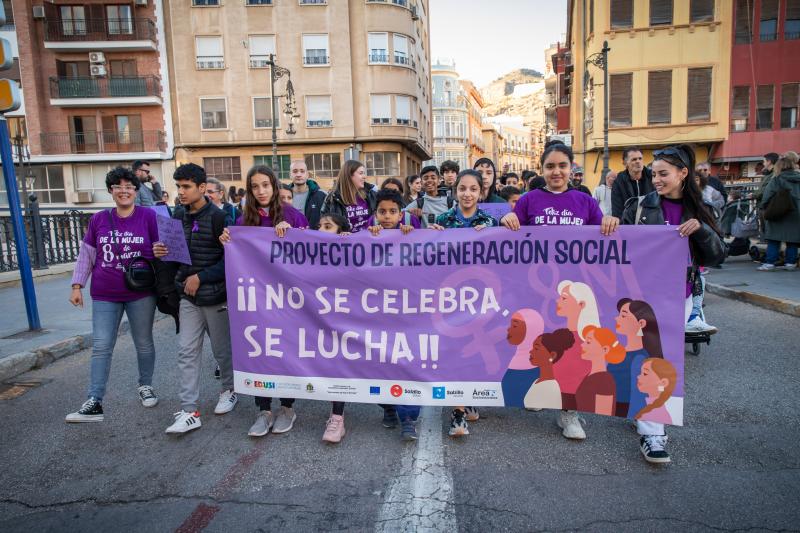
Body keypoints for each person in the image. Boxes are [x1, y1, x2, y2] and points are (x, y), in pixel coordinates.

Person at [621, 143, 726, 463]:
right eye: (654, 174)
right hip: (641, 296)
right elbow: (620, 248)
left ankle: (652, 430)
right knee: (645, 359)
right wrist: (611, 226)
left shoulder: (701, 209)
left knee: (659, 361)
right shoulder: (637, 207)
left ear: (683, 174)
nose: (656, 179)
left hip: (676, 298)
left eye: (663, 174)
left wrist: (703, 231)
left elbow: (718, 254)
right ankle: (650, 426)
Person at [219, 165, 308, 438]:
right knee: (259, 351)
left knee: (284, 351)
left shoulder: (293, 215)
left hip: (287, 298)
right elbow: (238, 257)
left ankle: (287, 407)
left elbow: (312, 253)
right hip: (257, 300)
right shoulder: (243, 219)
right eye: (255, 186)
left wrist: (294, 233)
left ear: (275, 186)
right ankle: (263, 410)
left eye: (265, 185)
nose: (261, 191)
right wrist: (227, 242)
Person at [65, 167, 160, 423]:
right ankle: (95, 400)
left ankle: (145, 385)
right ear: (111, 191)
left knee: (143, 342)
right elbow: (87, 254)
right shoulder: (99, 219)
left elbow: (161, 248)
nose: (124, 191)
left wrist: (161, 251)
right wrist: (77, 286)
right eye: (118, 187)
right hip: (105, 292)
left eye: (129, 186)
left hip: (141, 292)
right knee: (101, 346)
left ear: (136, 190)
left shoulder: (148, 216)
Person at [153, 163, 234, 435]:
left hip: (215, 295)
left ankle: (229, 390)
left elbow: (231, 259)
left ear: (202, 188)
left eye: (186, 186)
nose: (181, 192)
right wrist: (161, 251)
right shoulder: (178, 214)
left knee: (222, 350)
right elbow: (176, 255)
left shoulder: (219, 217)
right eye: (178, 186)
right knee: (186, 351)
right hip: (187, 297)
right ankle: (190, 410)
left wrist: (202, 277)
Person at [429, 169, 499, 436]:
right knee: (454, 350)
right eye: (462, 189)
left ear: (481, 192)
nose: (467, 194)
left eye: (473, 189)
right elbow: (429, 253)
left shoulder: (490, 221)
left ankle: (468, 396)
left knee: (475, 351)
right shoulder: (443, 220)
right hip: (450, 296)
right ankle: (457, 412)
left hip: (482, 297)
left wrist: (493, 233)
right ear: (455, 191)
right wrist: (432, 235)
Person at [757, 151, 800, 271]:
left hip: (778, 212)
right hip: (796, 213)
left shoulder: (777, 179)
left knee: (773, 239)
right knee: (792, 239)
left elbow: (767, 195)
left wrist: (763, 206)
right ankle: (790, 263)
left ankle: (770, 263)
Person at [575, 326, 625, 416]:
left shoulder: (604, 380)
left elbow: (603, 417)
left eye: (588, 342)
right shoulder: (591, 375)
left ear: (605, 349)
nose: (582, 345)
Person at [523, 329, 575, 410]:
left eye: (536, 348)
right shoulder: (537, 380)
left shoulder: (552, 385)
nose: (530, 351)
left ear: (552, 355)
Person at [321, 160, 378, 233]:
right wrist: (340, 232)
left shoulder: (371, 195)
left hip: (368, 242)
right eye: (361, 173)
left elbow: (381, 219)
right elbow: (324, 226)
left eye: (364, 173)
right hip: (344, 243)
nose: (364, 177)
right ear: (349, 175)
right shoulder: (332, 199)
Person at [611, 147, 654, 218]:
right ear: (625, 163)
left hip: (650, 223)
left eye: (640, 158)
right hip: (628, 225)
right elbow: (617, 210)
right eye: (634, 159)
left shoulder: (652, 177)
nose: (638, 161)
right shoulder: (619, 182)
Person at [289, 159, 327, 230]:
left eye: (302, 171)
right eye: (295, 171)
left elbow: (329, 219)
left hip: (313, 239)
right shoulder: (283, 195)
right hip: (289, 239)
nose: (298, 174)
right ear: (290, 175)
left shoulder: (321, 195)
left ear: (307, 175)